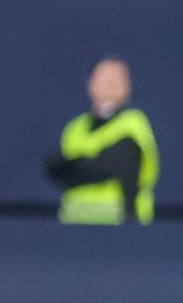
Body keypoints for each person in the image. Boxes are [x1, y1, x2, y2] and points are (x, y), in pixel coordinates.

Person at [45, 58, 158, 226]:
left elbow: (116, 162)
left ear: (128, 86)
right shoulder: (75, 127)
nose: (110, 83)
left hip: (120, 226)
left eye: (117, 78)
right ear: (90, 84)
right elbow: (54, 167)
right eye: (103, 77)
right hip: (75, 227)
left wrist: (75, 164)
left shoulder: (134, 123)